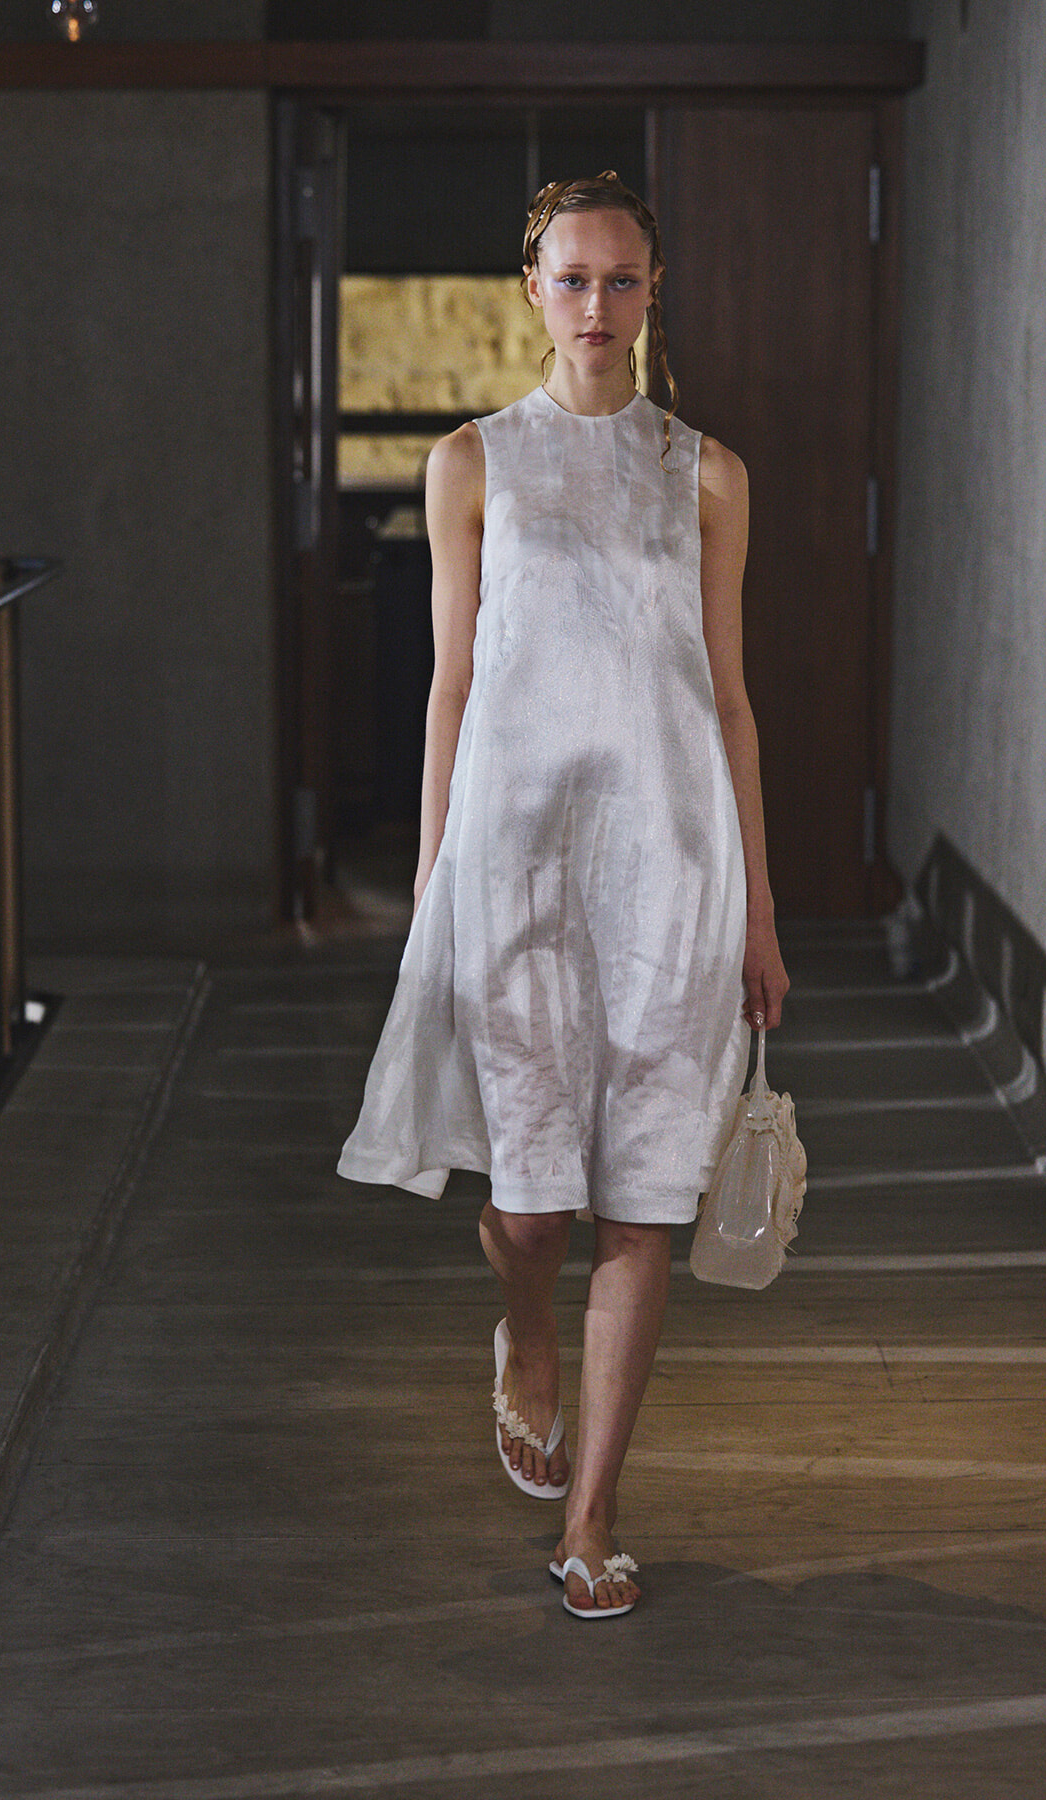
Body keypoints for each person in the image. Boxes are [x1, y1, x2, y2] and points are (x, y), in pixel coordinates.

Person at [338, 171, 789, 1618]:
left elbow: (730, 704)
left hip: (674, 866)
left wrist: (761, 912)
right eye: (573, 278)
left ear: (654, 295)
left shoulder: (706, 475)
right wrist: (433, 886)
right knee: (534, 1211)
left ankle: (593, 1518)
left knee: (641, 1206)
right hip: (516, 863)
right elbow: (450, 688)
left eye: (624, 281)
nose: (598, 306)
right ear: (530, 288)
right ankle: (523, 1326)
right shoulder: (473, 463)